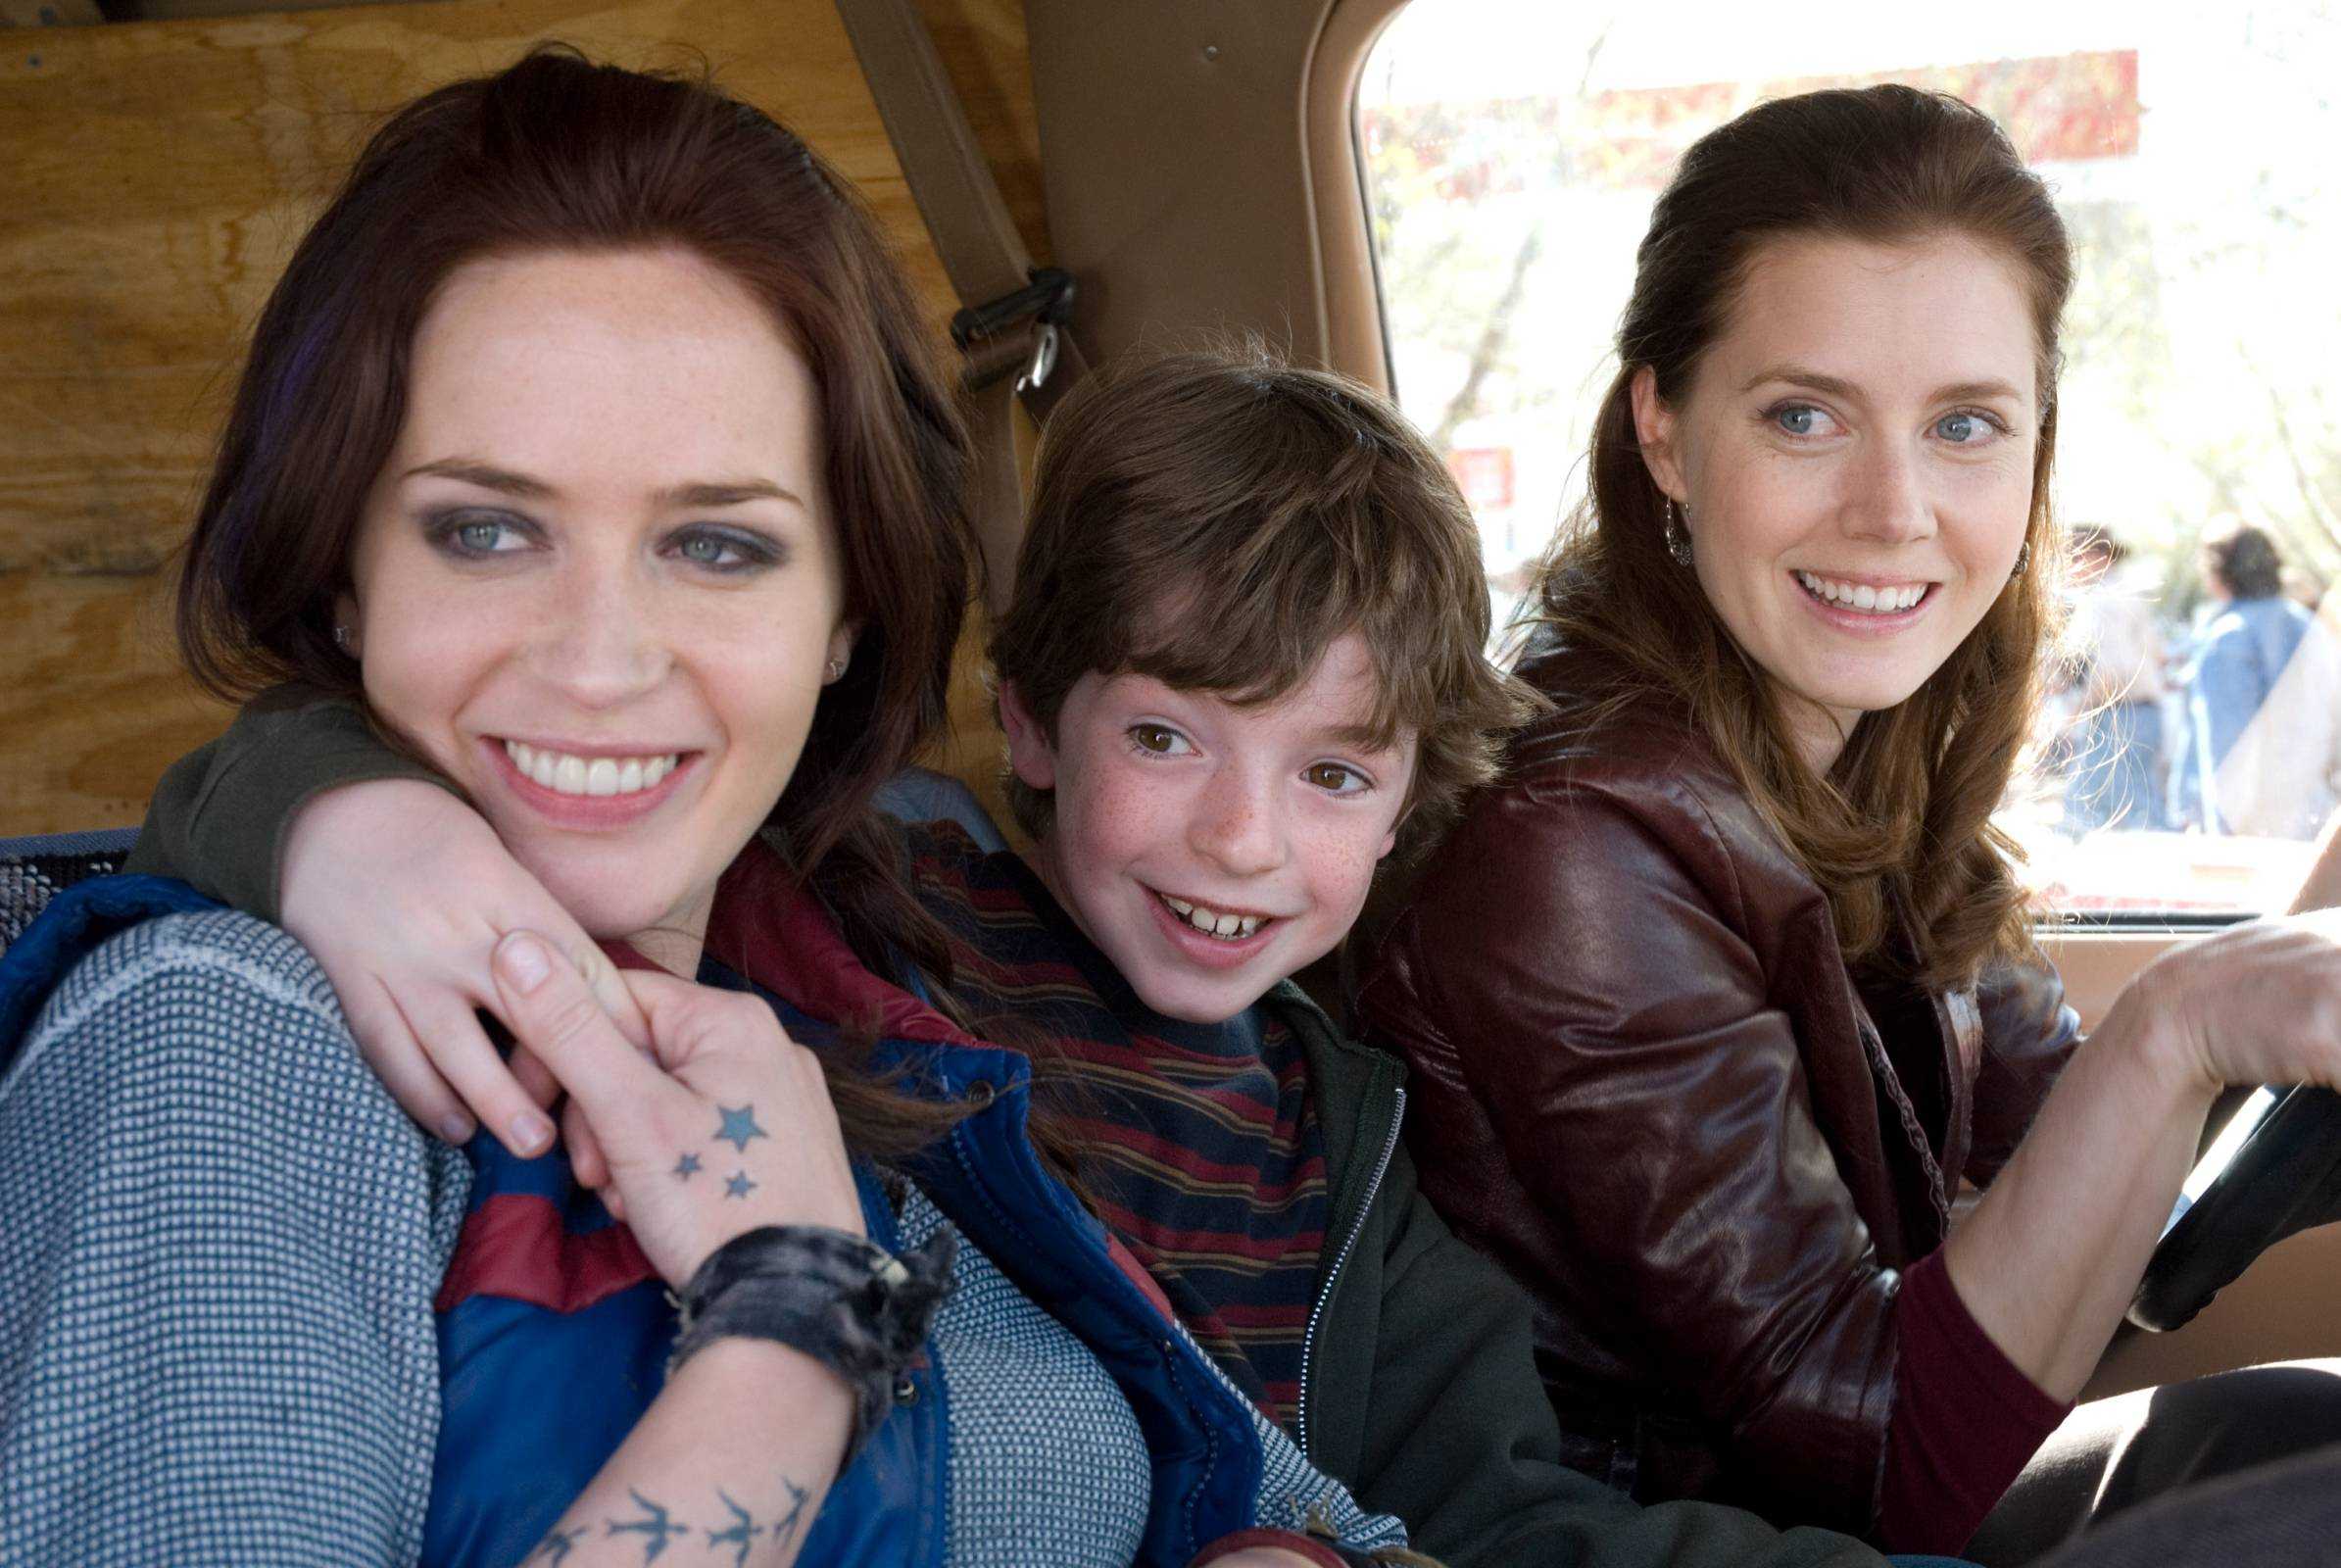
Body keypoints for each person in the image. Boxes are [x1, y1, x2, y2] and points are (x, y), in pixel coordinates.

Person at [94, 330, 1986, 1566]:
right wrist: (341, 818)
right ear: (1027, 723)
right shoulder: (854, 906)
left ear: (1409, 797)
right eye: (1164, 738)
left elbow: (1506, 1524)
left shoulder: (1338, 1136)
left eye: (1332, 773)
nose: (1239, 839)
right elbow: (481, 781)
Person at [0, 52, 1419, 1568]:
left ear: (847, 613)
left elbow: (1317, 1516)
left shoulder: (848, 992)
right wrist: (797, 1333)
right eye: (484, 532)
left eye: (718, 548)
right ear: (345, 579)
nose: (598, 665)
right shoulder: (223, 1031)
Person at [1355, 84, 2341, 1566]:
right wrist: (2181, 1018)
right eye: (1803, 417)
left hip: (1830, 1511)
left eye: (1964, 425)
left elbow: (2054, 1167)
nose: (1893, 510)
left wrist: (2296, 961)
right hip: (1650, 1538)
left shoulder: (1867, 751)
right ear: (1664, 432)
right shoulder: (1569, 841)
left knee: (2286, 1432)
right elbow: (1879, 1463)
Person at [2174, 522, 2328, 837]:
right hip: (2315, 812)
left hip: (2258, 826)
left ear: (2219, 573)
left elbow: (2228, 752)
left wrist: (2222, 834)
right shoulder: (2307, 624)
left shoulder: (2231, 636)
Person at [2058, 526, 2167, 833]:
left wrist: (2077, 708)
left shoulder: (2104, 601)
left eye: (2075, 557)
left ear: (2098, 556)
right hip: (2139, 711)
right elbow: (2157, 654)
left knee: (2088, 807)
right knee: (2141, 804)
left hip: (2117, 714)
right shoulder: (2128, 595)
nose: (2070, 566)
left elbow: (2112, 670)